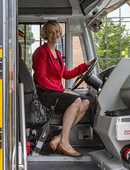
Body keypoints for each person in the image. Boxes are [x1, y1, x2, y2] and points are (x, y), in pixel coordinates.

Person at [32, 20, 94, 157]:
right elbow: (41, 79)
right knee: (77, 101)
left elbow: (66, 74)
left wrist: (85, 66)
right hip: (46, 93)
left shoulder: (57, 53)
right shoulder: (41, 52)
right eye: (50, 32)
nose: (54, 35)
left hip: (55, 91)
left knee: (86, 102)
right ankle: (64, 142)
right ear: (45, 34)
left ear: (60, 33)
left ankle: (58, 139)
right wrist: (62, 91)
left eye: (56, 32)